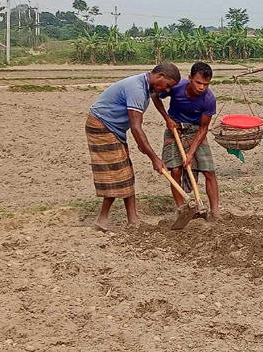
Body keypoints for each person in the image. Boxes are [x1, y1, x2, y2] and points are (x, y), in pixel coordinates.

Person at [85, 63, 181, 231]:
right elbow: (136, 127)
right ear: (159, 76)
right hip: (102, 125)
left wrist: (166, 117)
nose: (166, 90)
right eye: (167, 86)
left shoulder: (149, 86)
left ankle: (133, 219)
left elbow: (156, 98)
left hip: (114, 128)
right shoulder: (136, 89)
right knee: (116, 174)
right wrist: (155, 159)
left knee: (126, 172)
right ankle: (103, 219)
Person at [152, 62, 220, 219]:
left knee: (209, 170)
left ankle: (215, 211)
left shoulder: (209, 99)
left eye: (206, 84)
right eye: (198, 83)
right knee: (175, 169)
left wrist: (191, 154)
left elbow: (203, 128)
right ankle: (182, 209)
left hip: (196, 131)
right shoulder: (176, 87)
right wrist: (167, 118)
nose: (202, 87)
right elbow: (155, 95)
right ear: (190, 78)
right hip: (174, 128)